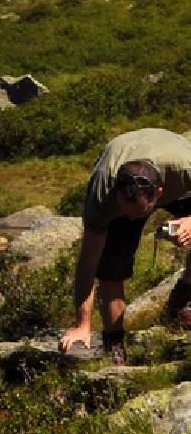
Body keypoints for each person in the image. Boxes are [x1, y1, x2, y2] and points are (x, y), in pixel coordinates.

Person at [58, 129, 191, 364]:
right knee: (111, 269)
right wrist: (82, 324)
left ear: (159, 194)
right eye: (125, 210)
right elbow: (88, 263)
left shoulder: (184, 168)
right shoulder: (103, 195)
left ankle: (183, 299)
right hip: (120, 175)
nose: (131, 218)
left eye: (139, 212)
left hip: (179, 178)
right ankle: (115, 344)